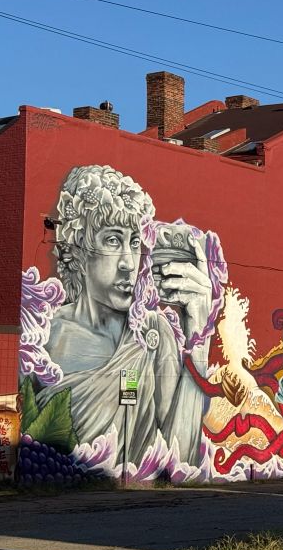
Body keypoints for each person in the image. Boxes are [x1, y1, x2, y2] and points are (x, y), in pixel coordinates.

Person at [38, 165, 218, 470]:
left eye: (135, 243)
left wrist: (199, 335)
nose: (128, 264)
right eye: (112, 240)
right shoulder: (44, 337)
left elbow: (181, 459)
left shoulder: (152, 335)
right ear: (79, 249)